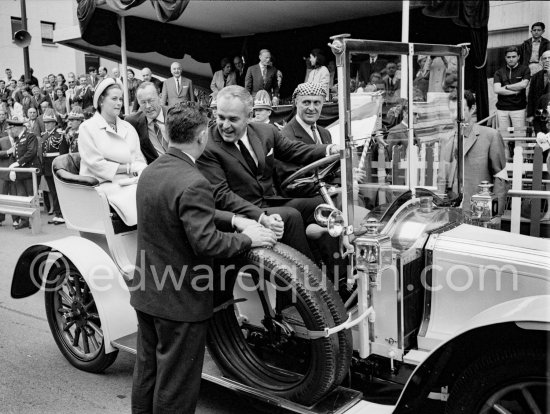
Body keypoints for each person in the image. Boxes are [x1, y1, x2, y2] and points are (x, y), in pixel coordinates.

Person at [130, 102, 276, 414]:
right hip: (180, 302)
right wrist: (248, 237)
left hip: (148, 294)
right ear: (202, 136)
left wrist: (235, 220)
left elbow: (181, 211)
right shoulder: (193, 180)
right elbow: (207, 242)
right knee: (177, 386)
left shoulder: (151, 171)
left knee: (148, 374)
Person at [196, 85, 339, 260]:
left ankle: (337, 273)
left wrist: (329, 149)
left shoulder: (266, 131)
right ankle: (306, 279)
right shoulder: (207, 146)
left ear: (249, 117)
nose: (225, 126)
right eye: (220, 117)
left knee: (322, 205)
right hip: (241, 212)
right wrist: (261, 217)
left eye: (233, 119)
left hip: (269, 202)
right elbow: (222, 195)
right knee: (290, 216)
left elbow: (293, 150)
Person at [79, 78, 147, 225]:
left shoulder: (128, 127)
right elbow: (96, 164)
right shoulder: (87, 128)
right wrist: (128, 167)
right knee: (138, 197)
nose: (119, 103)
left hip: (130, 181)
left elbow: (138, 159)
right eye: (114, 98)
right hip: (101, 185)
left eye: (121, 99)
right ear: (101, 100)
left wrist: (140, 169)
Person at [439, 90, 507, 213]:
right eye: (452, 111)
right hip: (450, 212)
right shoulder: (446, 139)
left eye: (460, 110)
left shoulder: (490, 136)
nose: (454, 116)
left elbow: (500, 178)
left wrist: (495, 214)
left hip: (479, 211)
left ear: (472, 108)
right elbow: (443, 177)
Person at [278, 82, 332, 197]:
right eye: (306, 102)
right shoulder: (285, 136)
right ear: (296, 103)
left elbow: (330, 171)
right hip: (307, 200)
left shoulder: (325, 133)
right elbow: (293, 184)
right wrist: (333, 190)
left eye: (316, 103)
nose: (311, 108)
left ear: (323, 104)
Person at [5, 117, 41, 229]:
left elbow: (31, 152)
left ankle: (33, 221)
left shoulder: (30, 136)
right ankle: (25, 220)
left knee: (31, 197)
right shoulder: (17, 139)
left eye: (11, 128)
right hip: (21, 172)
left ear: (17, 128)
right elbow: (16, 155)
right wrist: (13, 169)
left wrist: (18, 163)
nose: (11, 131)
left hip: (30, 172)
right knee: (22, 197)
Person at [126, 82, 169, 164]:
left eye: (151, 100)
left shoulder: (175, 114)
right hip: (156, 170)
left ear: (160, 97)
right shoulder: (132, 122)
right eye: (143, 102)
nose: (148, 106)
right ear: (138, 103)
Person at [493, 46, 530, 129]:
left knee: (519, 136)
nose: (511, 59)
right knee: (504, 136)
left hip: (519, 109)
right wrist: (515, 91)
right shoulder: (499, 72)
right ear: (505, 58)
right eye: (508, 57)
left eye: (514, 57)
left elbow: (523, 85)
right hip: (502, 109)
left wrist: (506, 87)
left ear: (518, 57)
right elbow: (497, 89)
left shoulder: (525, 69)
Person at [41, 109, 67, 224]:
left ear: (54, 123)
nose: (46, 124)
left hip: (56, 166)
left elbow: (63, 154)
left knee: (58, 191)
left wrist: (60, 169)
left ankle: (61, 214)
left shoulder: (59, 135)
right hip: (47, 166)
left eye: (49, 122)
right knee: (53, 191)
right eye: (45, 122)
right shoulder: (45, 135)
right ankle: (57, 213)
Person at [527, 50, 550, 125]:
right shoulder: (535, 77)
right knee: (540, 135)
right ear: (541, 61)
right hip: (539, 114)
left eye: (549, 58)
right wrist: (530, 114)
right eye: (545, 58)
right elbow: (531, 96)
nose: (547, 60)